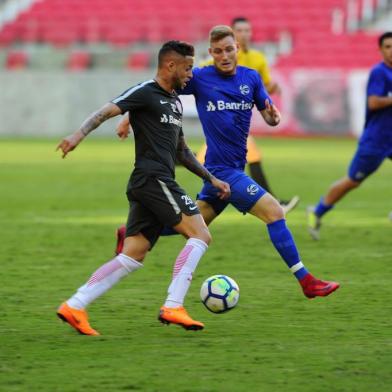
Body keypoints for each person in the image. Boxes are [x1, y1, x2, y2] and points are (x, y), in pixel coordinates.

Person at [116, 26, 339, 299]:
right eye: (218, 51)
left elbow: (269, 115)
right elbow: (160, 90)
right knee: (275, 213)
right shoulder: (199, 77)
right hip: (221, 170)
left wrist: (273, 118)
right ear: (211, 53)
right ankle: (307, 281)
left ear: (238, 50)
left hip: (231, 169)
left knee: (192, 224)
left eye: (229, 49)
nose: (224, 55)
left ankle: (131, 232)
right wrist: (129, 117)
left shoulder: (251, 78)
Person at [55, 41, 231, 336]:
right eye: (188, 68)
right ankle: (173, 305)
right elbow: (105, 111)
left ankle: (75, 305)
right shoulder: (145, 91)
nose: (191, 75)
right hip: (153, 179)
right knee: (200, 234)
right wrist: (77, 135)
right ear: (170, 65)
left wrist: (211, 179)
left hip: (150, 182)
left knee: (132, 255)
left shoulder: (174, 102)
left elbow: (182, 151)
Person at [195, 16, 299, 214]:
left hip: (238, 125)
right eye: (240, 31)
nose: (244, 34)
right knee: (250, 156)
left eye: (247, 30)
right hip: (220, 123)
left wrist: (272, 90)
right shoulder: (215, 61)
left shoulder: (257, 60)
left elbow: (261, 88)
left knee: (204, 182)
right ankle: (275, 203)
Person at [307, 32, 392, 240]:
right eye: (388, 46)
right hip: (376, 140)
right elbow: (373, 102)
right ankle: (317, 211)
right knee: (352, 181)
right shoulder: (379, 73)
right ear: (381, 50)